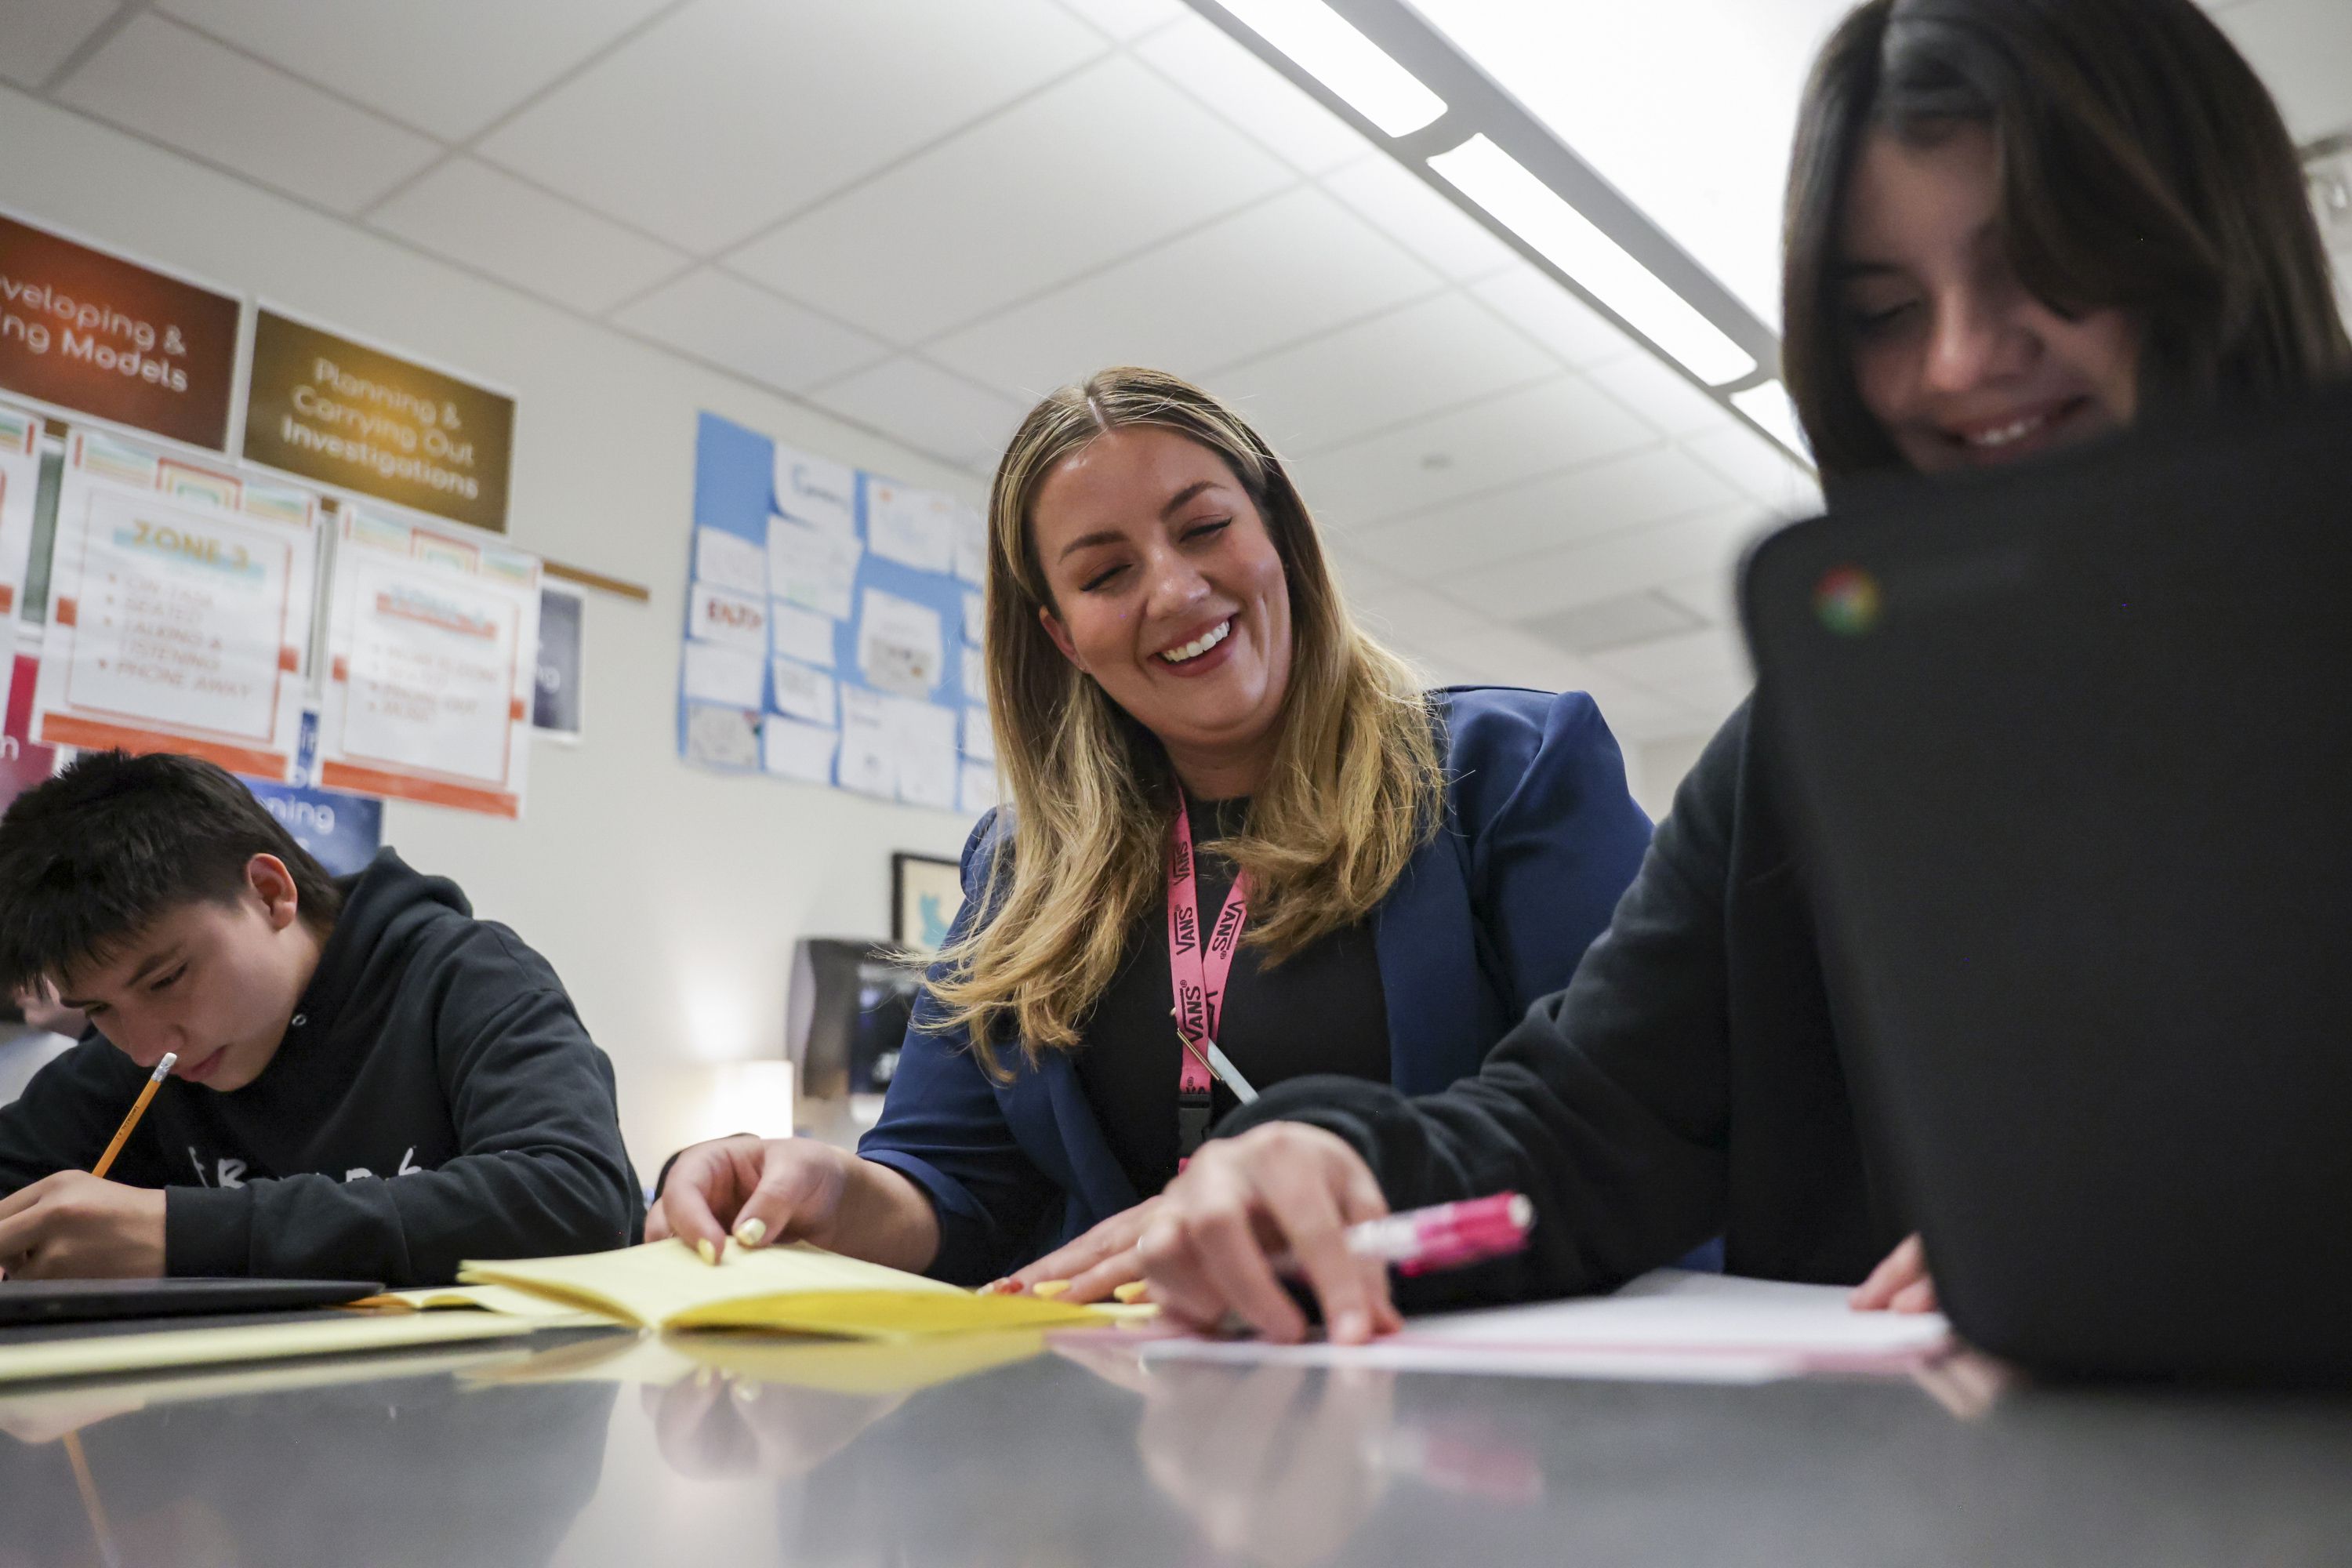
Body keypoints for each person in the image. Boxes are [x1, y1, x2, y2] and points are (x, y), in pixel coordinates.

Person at [1126, 0, 2352, 1344]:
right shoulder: (1810, 752)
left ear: (2209, 244)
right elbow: (1583, 1119)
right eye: (1884, 312)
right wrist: (1327, 1162)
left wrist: (2214, 1232)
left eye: (2041, 265)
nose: (1954, 361)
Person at [649, 367, 1654, 1287]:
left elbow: (1627, 1123)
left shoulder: (1510, 770)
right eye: (1104, 574)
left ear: (1281, 536)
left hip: (1452, 1387)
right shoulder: (1019, 871)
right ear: (1062, 637)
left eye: (1205, 527)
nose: (1173, 590)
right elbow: (952, 1186)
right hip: (1131, 1415)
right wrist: (828, 1187)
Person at [0, 750, 643, 1284]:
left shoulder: (466, 975)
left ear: (270, 893)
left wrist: (186, 1234)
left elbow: (580, 1199)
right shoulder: (150, 1057)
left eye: (168, 978)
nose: (143, 1047)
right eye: (100, 1009)